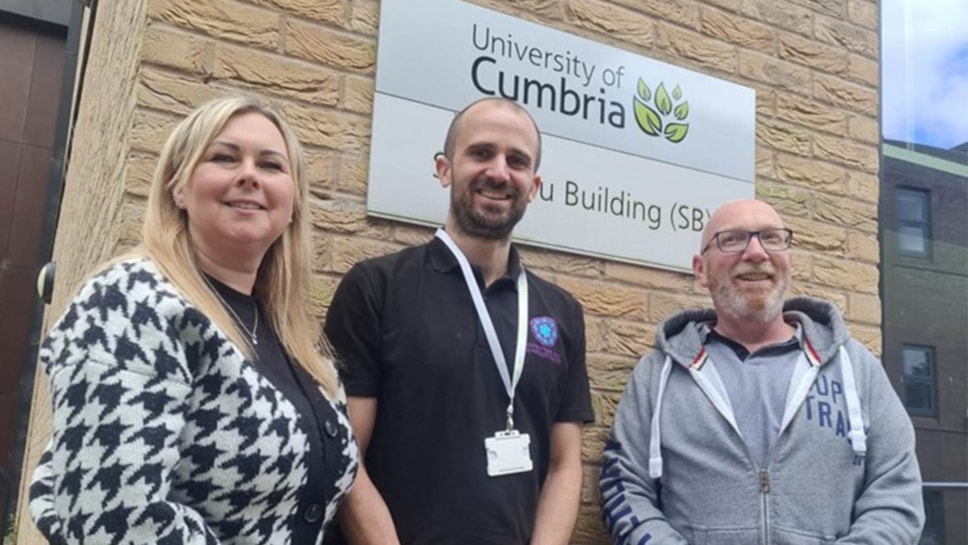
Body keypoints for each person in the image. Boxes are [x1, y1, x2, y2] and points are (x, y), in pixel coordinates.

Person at [29, 95, 358, 544]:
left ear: (294, 201)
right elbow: (118, 523)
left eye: (271, 165)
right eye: (224, 157)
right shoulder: (129, 301)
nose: (249, 175)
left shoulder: (292, 334)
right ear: (177, 188)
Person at [323, 97, 594, 545]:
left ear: (534, 185)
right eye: (481, 152)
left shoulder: (561, 313)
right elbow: (346, 455)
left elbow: (565, 465)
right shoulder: (376, 288)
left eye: (517, 161)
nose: (499, 172)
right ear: (445, 169)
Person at [599, 199, 925, 544]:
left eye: (771, 238)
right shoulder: (658, 374)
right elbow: (623, 487)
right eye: (733, 239)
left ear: (789, 261)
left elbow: (897, 495)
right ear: (701, 270)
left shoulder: (858, 369)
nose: (756, 252)